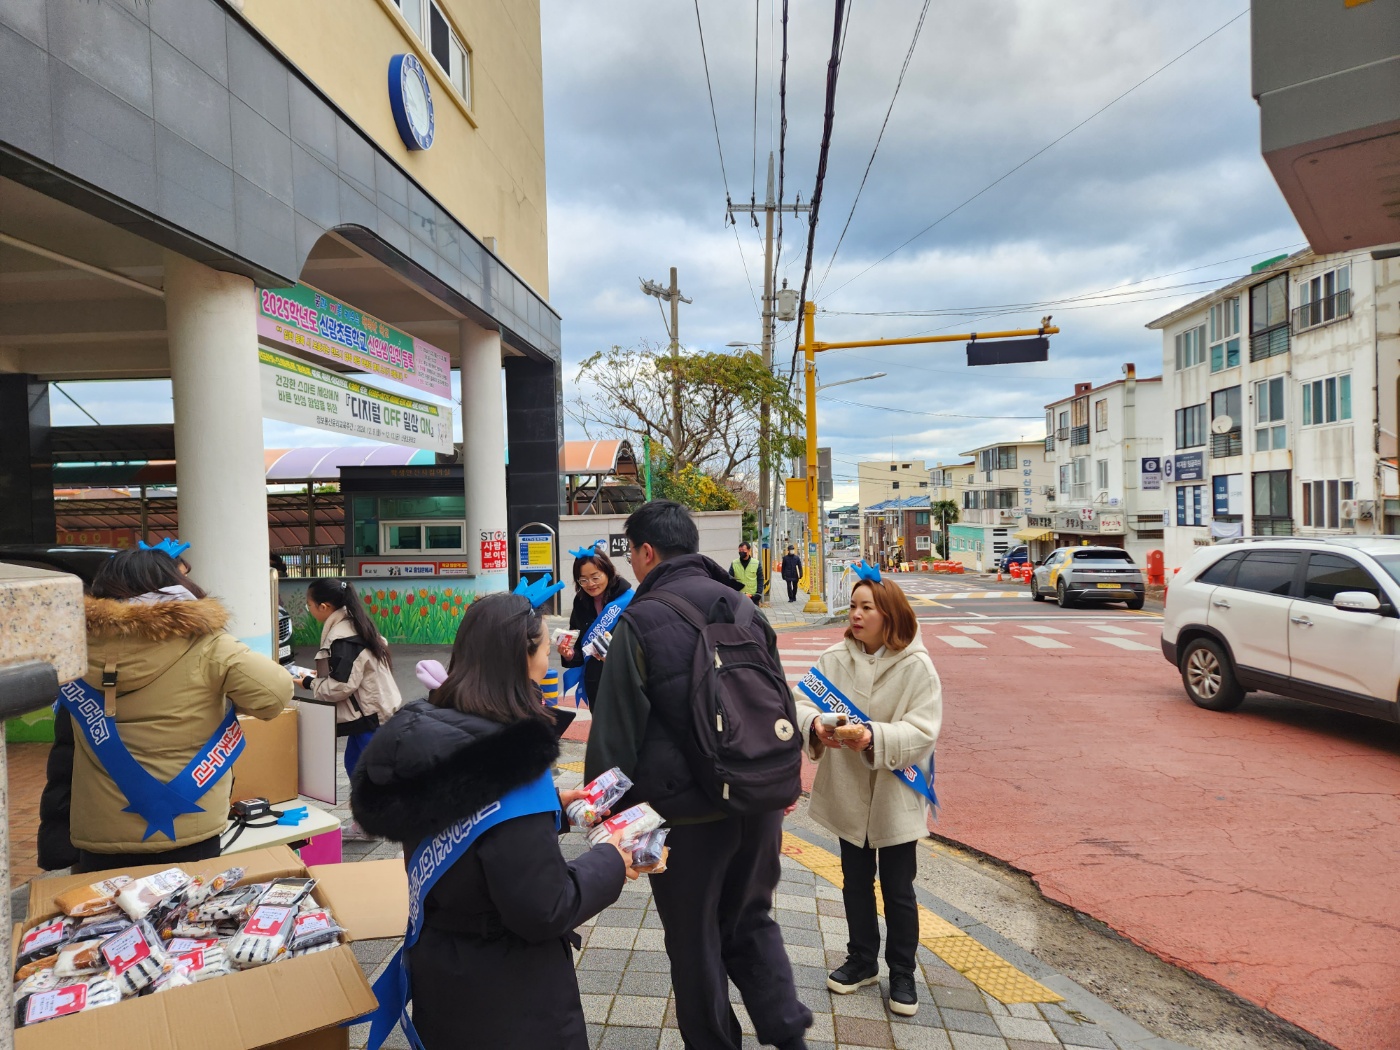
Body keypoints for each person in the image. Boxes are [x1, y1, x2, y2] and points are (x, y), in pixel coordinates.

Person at [350, 591, 635, 1050]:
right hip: (509, 995)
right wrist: (613, 861)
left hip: (440, 973)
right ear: (521, 658)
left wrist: (552, 808)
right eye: (545, 650)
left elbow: (464, 818)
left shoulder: (429, 732)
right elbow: (543, 908)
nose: (548, 661)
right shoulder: (509, 762)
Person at [587, 500, 812, 1050]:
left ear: (646, 552)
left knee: (694, 942)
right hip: (756, 803)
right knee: (752, 920)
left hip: (686, 819)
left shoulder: (640, 620)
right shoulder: (745, 608)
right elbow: (777, 700)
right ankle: (788, 1034)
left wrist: (604, 818)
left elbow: (615, 734)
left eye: (633, 556)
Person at [62, 546, 291, 873]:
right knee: (185, 920)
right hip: (189, 823)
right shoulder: (205, 643)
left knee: (108, 920)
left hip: (100, 834)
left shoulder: (71, 647)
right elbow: (274, 695)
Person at [793, 563, 941, 1017]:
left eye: (866, 607)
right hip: (847, 791)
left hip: (897, 793)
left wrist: (874, 737)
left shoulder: (917, 666)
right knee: (854, 880)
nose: (855, 615)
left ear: (890, 614)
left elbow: (924, 730)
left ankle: (902, 971)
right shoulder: (834, 660)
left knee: (899, 888)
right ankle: (861, 960)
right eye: (853, 606)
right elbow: (800, 703)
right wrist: (815, 725)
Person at [298, 579, 402, 789]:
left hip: (370, 716)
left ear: (324, 607)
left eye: (309, 605)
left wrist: (310, 683)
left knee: (370, 776)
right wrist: (322, 675)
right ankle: (363, 820)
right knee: (356, 767)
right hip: (371, 713)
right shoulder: (355, 623)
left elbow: (340, 687)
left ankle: (379, 819)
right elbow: (351, 672)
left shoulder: (341, 637)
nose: (309, 610)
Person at [558, 542, 633, 708]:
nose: (590, 584)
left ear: (607, 571)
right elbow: (578, 647)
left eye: (595, 577)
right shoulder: (580, 603)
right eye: (583, 580)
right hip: (595, 682)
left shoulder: (629, 600)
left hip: (624, 679)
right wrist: (569, 654)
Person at [729, 540, 765, 605]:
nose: (741, 552)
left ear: (749, 550)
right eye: (740, 551)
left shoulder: (756, 563)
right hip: (739, 596)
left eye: (743, 550)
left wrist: (758, 594)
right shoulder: (734, 563)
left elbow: (760, 579)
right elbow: (730, 579)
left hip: (753, 596)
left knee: (753, 614)